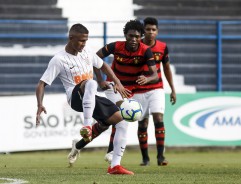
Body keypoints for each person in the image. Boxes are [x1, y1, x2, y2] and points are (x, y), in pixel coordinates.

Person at [35, 23, 133, 175]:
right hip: (74, 98)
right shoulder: (59, 59)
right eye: (81, 40)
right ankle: (87, 126)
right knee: (90, 82)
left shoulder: (87, 52)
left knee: (122, 120)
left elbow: (103, 66)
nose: (84, 44)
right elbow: (42, 84)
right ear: (71, 38)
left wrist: (117, 83)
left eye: (86, 40)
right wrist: (40, 104)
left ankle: (114, 166)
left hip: (91, 96)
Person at [67, 20, 158, 174]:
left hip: (132, 91)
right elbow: (96, 59)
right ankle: (113, 159)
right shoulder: (115, 46)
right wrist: (101, 79)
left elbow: (155, 74)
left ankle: (78, 145)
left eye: (137, 36)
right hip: (114, 87)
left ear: (141, 37)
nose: (133, 39)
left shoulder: (146, 51)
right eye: (130, 36)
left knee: (104, 125)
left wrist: (147, 79)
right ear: (125, 35)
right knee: (123, 118)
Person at [104, 17, 176, 166]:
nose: (150, 32)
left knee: (158, 117)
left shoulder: (159, 48)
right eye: (148, 29)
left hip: (155, 87)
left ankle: (160, 156)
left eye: (153, 29)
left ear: (157, 31)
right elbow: (114, 63)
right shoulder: (133, 46)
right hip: (135, 90)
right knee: (141, 123)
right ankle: (145, 158)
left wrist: (172, 89)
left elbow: (163, 70)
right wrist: (114, 80)